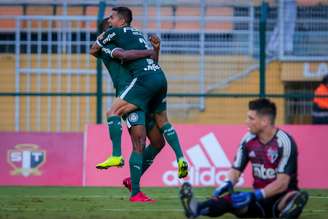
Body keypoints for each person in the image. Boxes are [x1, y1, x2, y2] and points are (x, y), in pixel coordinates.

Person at [90, 17, 184, 202]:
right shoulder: (107, 48)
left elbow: (151, 63)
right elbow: (125, 56)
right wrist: (148, 50)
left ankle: (132, 181)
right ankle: (135, 192)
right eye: (111, 26)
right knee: (139, 143)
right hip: (129, 97)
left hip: (143, 94)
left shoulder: (126, 44)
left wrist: (154, 51)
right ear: (107, 33)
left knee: (158, 143)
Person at [180, 98, 309, 218]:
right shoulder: (248, 139)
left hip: (281, 196)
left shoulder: (285, 142)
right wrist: (228, 182)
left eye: (251, 118)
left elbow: (282, 183)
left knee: (292, 198)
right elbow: (236, 170)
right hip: (259, 200)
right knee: (232, 199)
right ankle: (197, 208)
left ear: (264, 122)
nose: (246, 122)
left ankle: (288, 211)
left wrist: (255, 195)